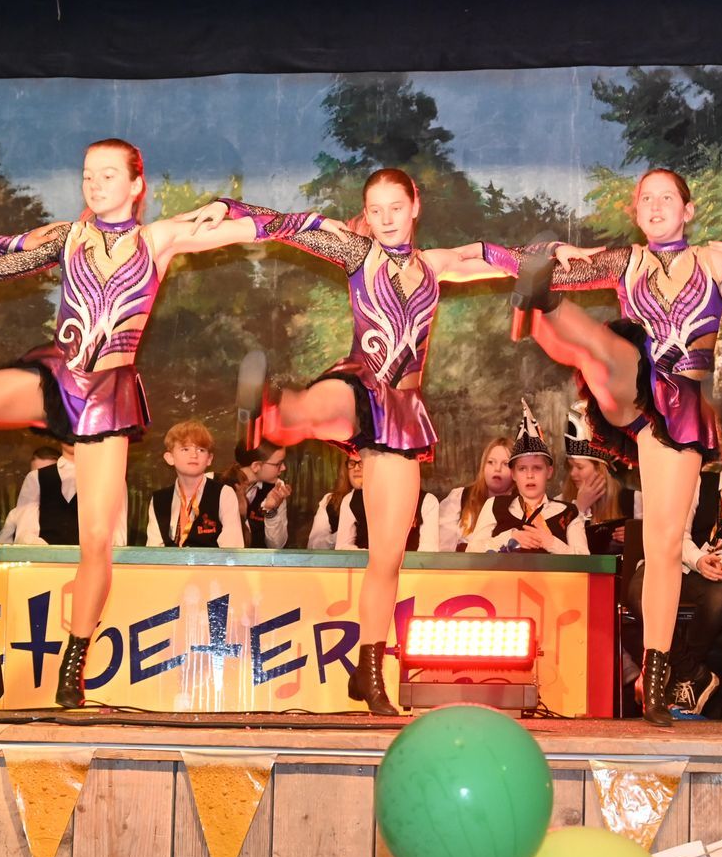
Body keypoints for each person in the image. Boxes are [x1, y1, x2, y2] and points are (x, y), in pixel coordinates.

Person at [174, 169, 588, 715]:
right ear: (365, 214)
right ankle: (272, 414)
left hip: (402, 413)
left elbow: (497, 256)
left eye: (396, 206)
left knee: (387, 557)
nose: (387, 218)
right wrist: (229, 207)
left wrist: (553, 253)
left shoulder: (436, 265)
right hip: (360, 381)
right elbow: (289, 226)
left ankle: (368, 673)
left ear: (415, 206)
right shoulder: (357, 253)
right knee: (331, 405)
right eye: (376, 209)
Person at [502, 168, 722, 725]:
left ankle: (657, 672)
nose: (655, 205)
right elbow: (520, 261)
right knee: (604, 351)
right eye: (645, 198)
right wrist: (547, 257)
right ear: (636, 210)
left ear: (687, 210)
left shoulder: (718, 261)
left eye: (666, 197)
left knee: (666, 545)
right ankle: (543, 301)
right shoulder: (625, 260)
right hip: (633, 387)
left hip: (679, 412)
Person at [0, 137, 235, 707]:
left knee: (96, 541)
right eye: (88, 174)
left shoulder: (158, 239)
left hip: (108, 397)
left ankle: (74, 663)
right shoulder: (67, 237)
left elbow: (256, 228)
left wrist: (230, 206)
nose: (94, 184)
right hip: (61, 377)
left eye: (108, 175)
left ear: (136, 184)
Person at [627, 431, 722, 715]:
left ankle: (682, 673)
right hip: (671, 563)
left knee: (720, 595)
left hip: (703, 575)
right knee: (639, 592)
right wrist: (699, 560)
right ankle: (693, 672)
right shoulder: (697, 482)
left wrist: (715, 564)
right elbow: (677, 533)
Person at [468, 401, 589, 555]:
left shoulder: (569, 513)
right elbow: (471, 551)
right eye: (522, 469)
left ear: (549, 472)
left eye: (537, 468)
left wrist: (551, 543)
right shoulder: (494, 506)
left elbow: (584, 560)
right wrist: (510, 537)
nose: (530, 475)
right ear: (513, 474)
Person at [144, 420, 243, 548]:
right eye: (185, 449)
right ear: (170, 458)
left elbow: (232, 550)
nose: (194, 455)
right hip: (169, 562)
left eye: (201, 450)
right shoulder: (159, 500)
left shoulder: (224, 494)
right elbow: (153, 552)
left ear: (209, 459)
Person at [11, 442, 128, 549]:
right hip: (45, 563)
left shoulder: (111, 479)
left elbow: (118, 539)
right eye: (67, 428)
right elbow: (24, 536)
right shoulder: (35, 478)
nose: (73, 434)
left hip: (93, 562)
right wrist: (53, 556)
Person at [563, 404, 641, 555]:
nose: (572, 473)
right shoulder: (562, 503)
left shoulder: (634, 501)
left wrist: (636, 537)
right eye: (570, 466)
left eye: (579, 467)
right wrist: (579, 509)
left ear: (600, 469)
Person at [437, 436, 514, 552]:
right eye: (491, 462)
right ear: (483, 466)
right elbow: (443, 549)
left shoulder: (521, 506)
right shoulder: (460, 497)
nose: (497, 469)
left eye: (505, 464)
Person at [0, 445, 61, 545]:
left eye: (48, 474)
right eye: (34, 475)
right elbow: (2, 549)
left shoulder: (74, 511)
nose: (40, 480)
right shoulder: (16, 514)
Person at [235, 443, 291, 548]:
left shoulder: (275, 489)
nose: (283, 468)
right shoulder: (216, 483)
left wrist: (270, 511)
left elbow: (276, 546)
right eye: (278, 464)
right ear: (256, 466)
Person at [306, 456, 361, 551]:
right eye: (352, 463)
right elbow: (314, 546)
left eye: (361, 463)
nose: (356, 468)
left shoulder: (384, 501)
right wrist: (340, 535)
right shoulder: (331, 501)